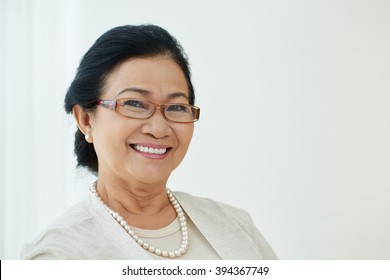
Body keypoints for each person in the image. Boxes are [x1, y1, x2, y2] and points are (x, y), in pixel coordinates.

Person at [22, 24, 277, 260]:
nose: (159, 128)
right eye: (134, 104)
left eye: (177, 107)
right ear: (86, 120)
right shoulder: (58, 255)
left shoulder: (236, 226)